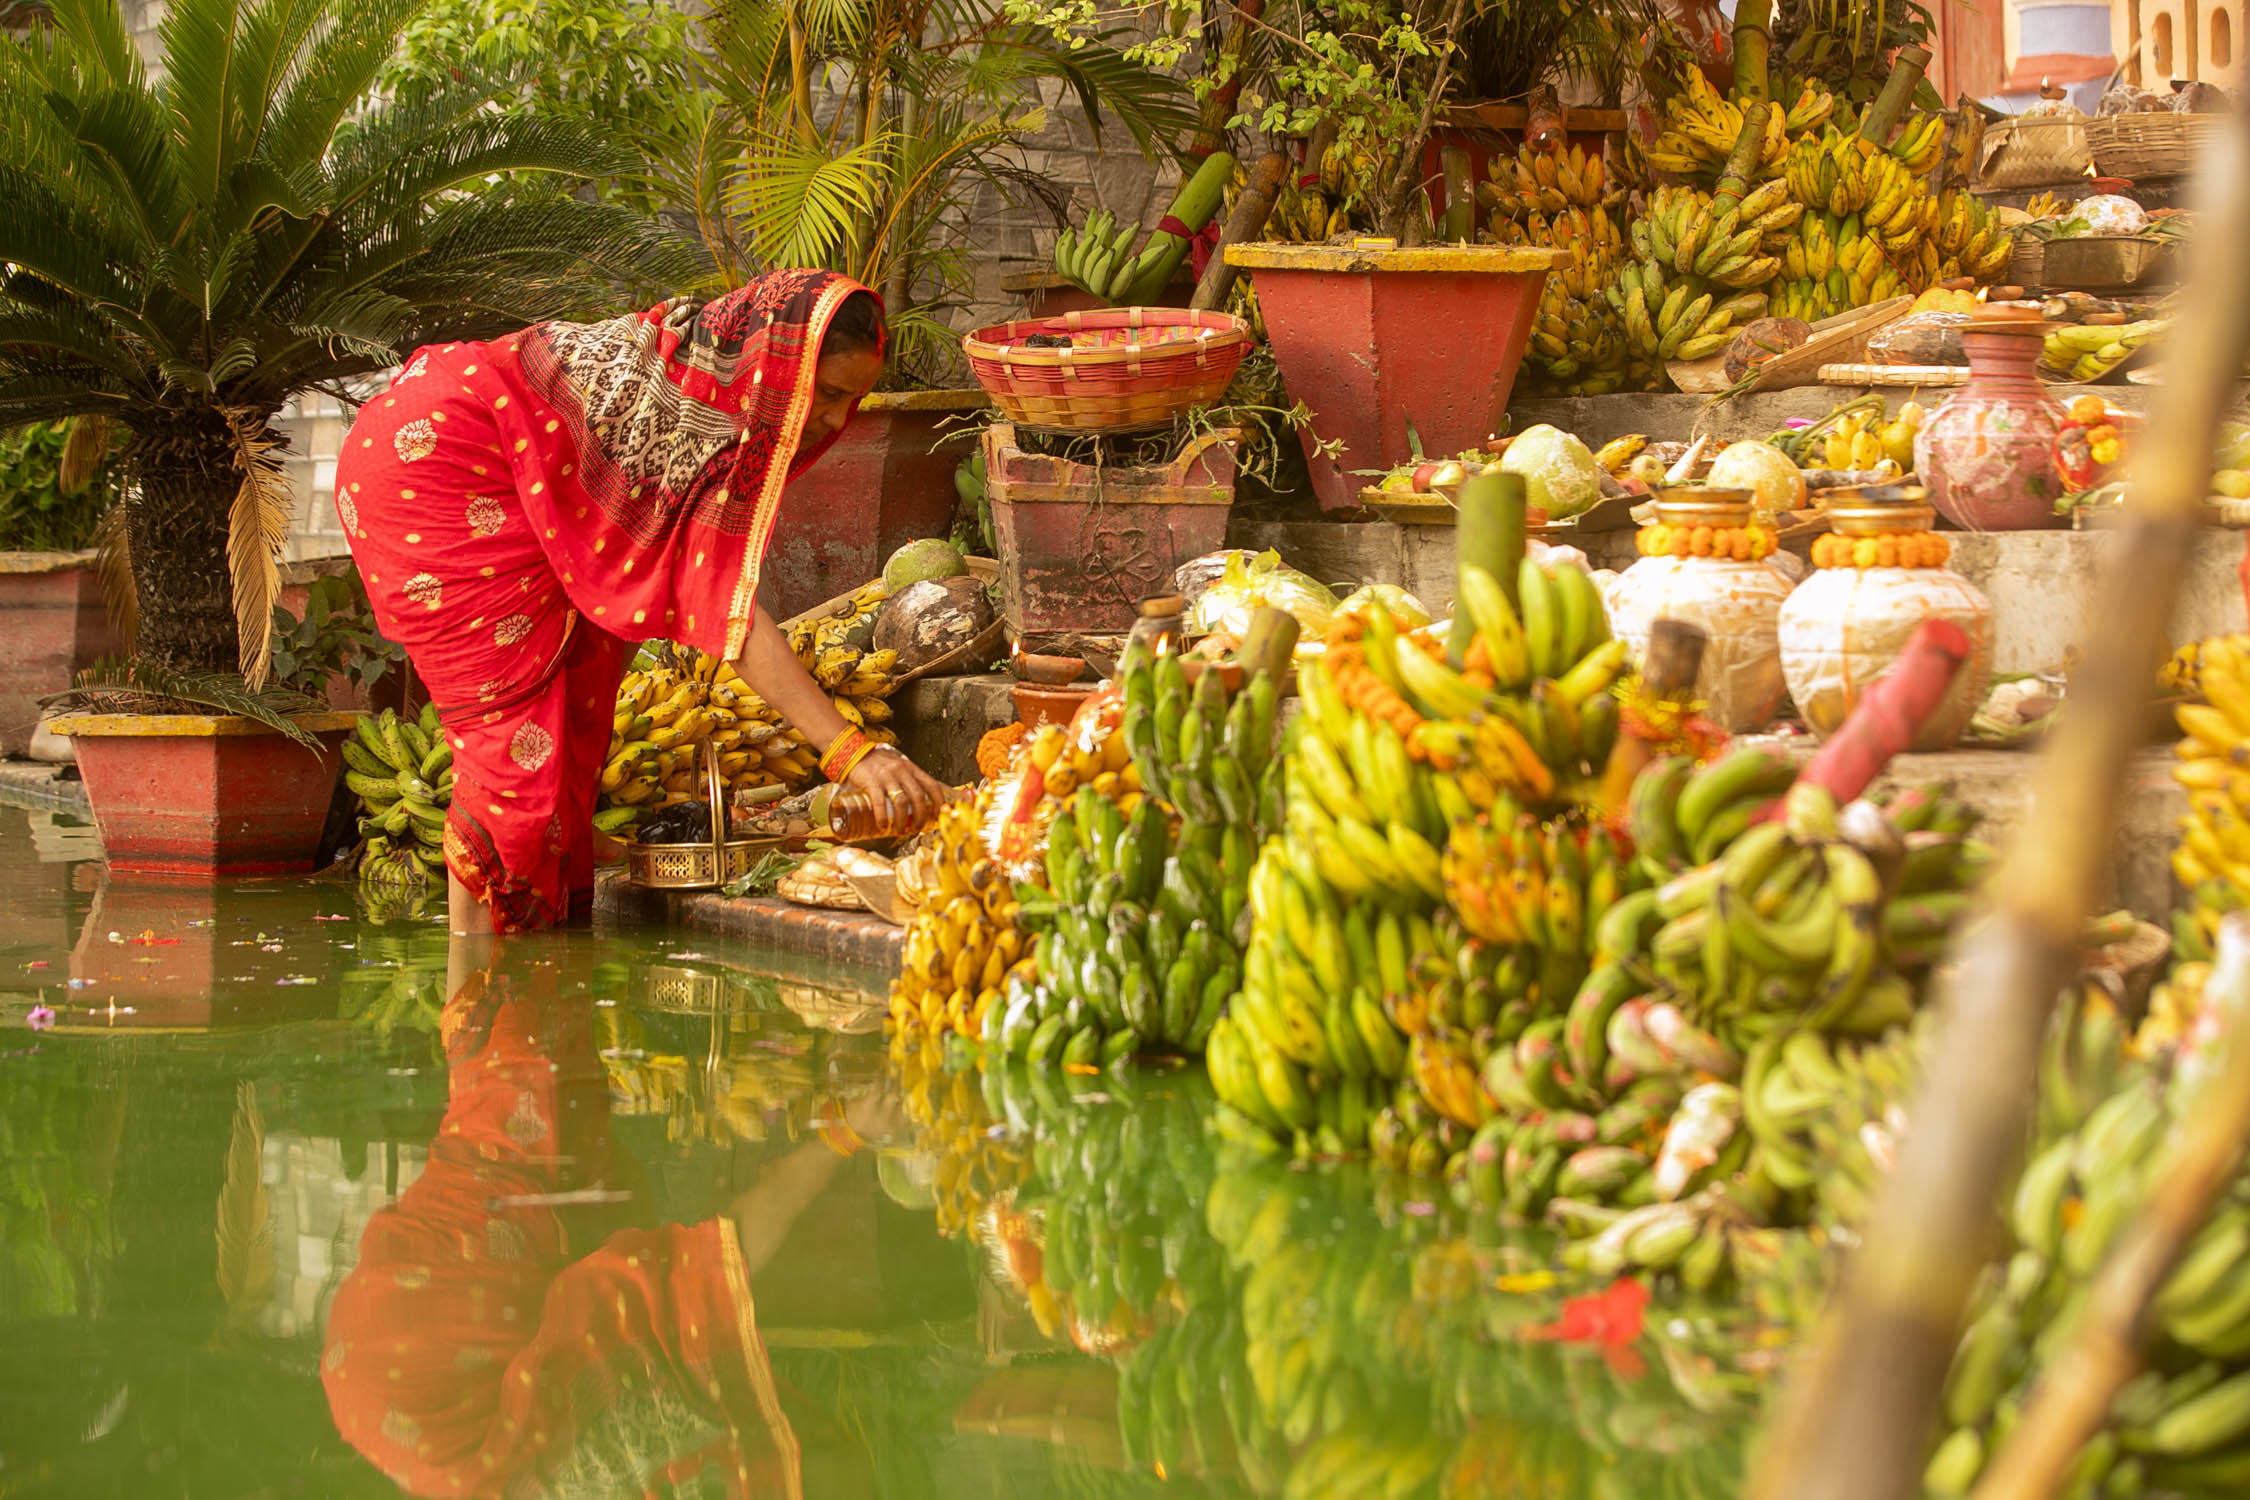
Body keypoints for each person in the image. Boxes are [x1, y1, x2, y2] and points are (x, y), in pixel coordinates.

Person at [334, 269, 953, 934]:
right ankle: (479, 974)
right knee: (511, 756)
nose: (835, 420)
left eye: (851, 401)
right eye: (828, 394)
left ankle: (555, 909)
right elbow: (729, 616)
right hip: (436, 464)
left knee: (579, 687)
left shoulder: (722, 394)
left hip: (489, 457)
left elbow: (660, 594)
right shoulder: (694, 416)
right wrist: (850, 752)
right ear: (778, 366)